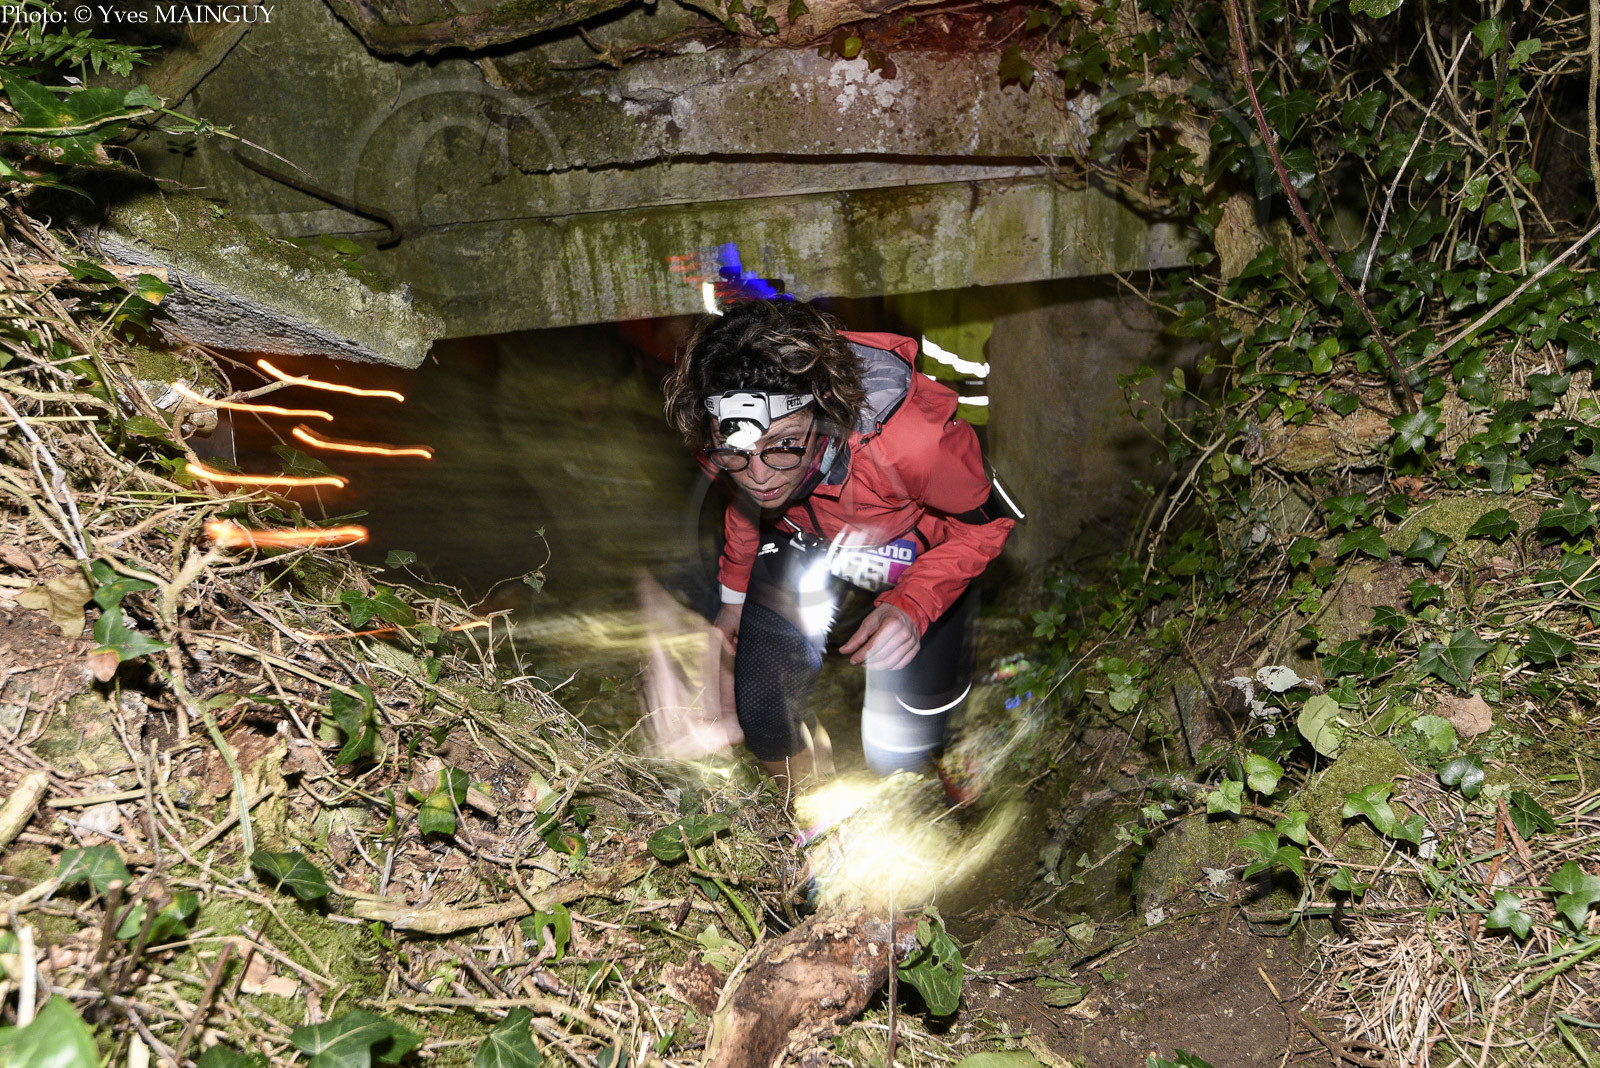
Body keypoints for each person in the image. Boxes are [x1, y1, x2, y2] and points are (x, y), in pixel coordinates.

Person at [663, 299, 1015, 786]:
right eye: (738, 453)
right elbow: (743, 505)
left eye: (784, 444)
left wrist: (914, 605)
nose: (759, 476)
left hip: (915, 551)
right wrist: (733, 598)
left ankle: (948, 769)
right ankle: (805, 816)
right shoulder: (717, 432)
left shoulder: (913, 443)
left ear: (825, 409)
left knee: (906, 744)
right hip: (805, 540)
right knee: (762, 710)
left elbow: (987, 525)